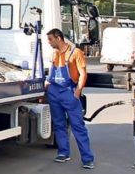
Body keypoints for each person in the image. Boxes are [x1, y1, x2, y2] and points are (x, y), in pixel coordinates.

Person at [45, 28, 94, 169]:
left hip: (69, 92)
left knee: (78, 126)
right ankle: (63, 153)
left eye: (50, 39)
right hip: (54, 91)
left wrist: (77, 92)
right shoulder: (55, 53)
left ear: (58, 38)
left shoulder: (75, 53)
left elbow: (83, 74)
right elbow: (52, 70)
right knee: (59, 125)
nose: (49, 42)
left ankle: (87, 159)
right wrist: (48, 83)